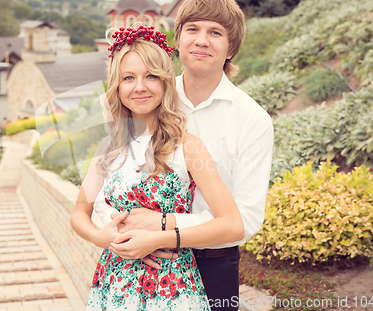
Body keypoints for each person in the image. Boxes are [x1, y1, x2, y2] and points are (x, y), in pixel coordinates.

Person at [95, 0, 274, 310]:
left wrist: (164, 227)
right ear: (177, 39)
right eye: (193, 29)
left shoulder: (252, 119)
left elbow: (244, 220)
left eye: (215, 32)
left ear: (231, 47)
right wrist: (123, 229)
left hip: (214, 267)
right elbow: (113, 176)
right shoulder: (148, 94)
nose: (201, 40)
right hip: (138, 260)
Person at [70, 27, 245, 310]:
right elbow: (79, 212)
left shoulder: (188, 147)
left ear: (165, 83)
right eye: (129, 78)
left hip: (171, 287)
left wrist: (159, 238)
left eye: (151, 76)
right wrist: (99, 237)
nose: (140, 86)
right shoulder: (108, 149)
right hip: (116, 285)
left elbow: (232, 225)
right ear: (116, 86)